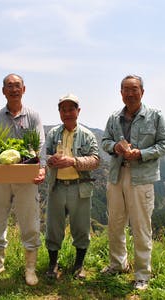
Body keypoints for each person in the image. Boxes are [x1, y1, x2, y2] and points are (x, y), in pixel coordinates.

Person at [101, 75, 165, 290]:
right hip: (116, 176)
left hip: (141, 178)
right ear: (120, 92)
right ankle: (118, 264)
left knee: (141, 227)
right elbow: (105, 141)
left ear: (142, 91)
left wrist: (141, 153)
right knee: (115, 224)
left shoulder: (155, 116)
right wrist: (115, 147)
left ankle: (142, 274)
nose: (130, 94)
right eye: (125, 90)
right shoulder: (114, 118)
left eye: (134, 89)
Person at [0, 73, 46, 286]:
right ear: (3, 91)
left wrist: (42, 168)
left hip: (27, 177)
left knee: (30, 222)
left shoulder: (33, 116)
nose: (13, 89)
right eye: (9, 86)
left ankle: (30, 268)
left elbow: (41, 145)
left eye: (17, 85)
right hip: (1, 176)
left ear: (24, 89)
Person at [45, 93, 100, 279]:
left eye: (71, 109)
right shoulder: (53, 134)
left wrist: (73, 161)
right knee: (53, 227)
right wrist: (50, 159)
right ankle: (53, 264)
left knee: (81, 227)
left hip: (79, 187)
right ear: (59, 112)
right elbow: (42, 157)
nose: (67, 113)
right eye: (64, 109)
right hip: (57, 186)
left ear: (78, 111)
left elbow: (95, 160)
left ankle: (79, 266)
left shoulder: (87, 135)